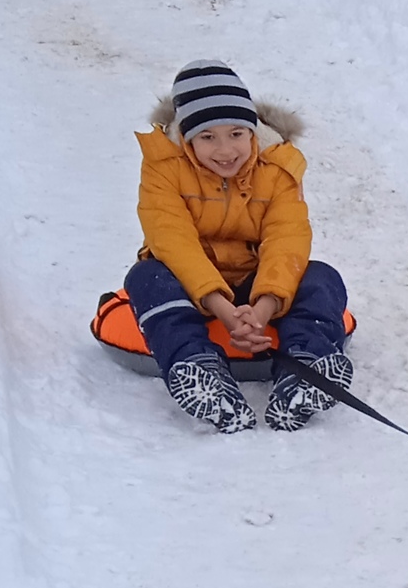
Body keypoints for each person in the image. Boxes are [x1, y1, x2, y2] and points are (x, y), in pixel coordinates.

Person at [124, 59, 353, 434]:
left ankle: (305, 371)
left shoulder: (278, 168)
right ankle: (200, 371)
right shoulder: (163, 168)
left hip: (256, 280)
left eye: (236, 134)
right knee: (146, 275)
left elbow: (287, 238)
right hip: (192, 284)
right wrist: (223, 310)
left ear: (253, 132)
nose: (226, 149)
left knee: (322, 277)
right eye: (207, 137)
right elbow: (172, 239)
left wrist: (262, 309)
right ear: (186, 137)